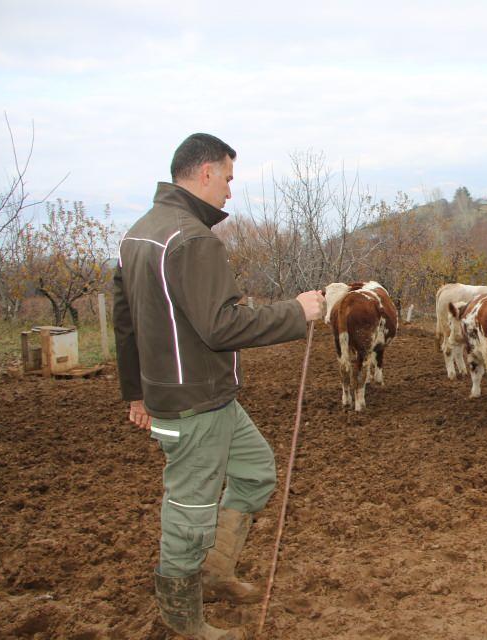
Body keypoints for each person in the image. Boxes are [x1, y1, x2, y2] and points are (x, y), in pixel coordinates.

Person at [113, 133, 324, 639]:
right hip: (195, 404)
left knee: (255, 472)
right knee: (189, 510)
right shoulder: (193, 239)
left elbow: (125, 322)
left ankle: (215, 572)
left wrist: (134, 393)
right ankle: (183, 621)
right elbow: (221, 326)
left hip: (205, 395)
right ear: (205, 172)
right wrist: (297, 312)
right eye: (228, 178)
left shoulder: (140, 233)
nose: (230, 192)